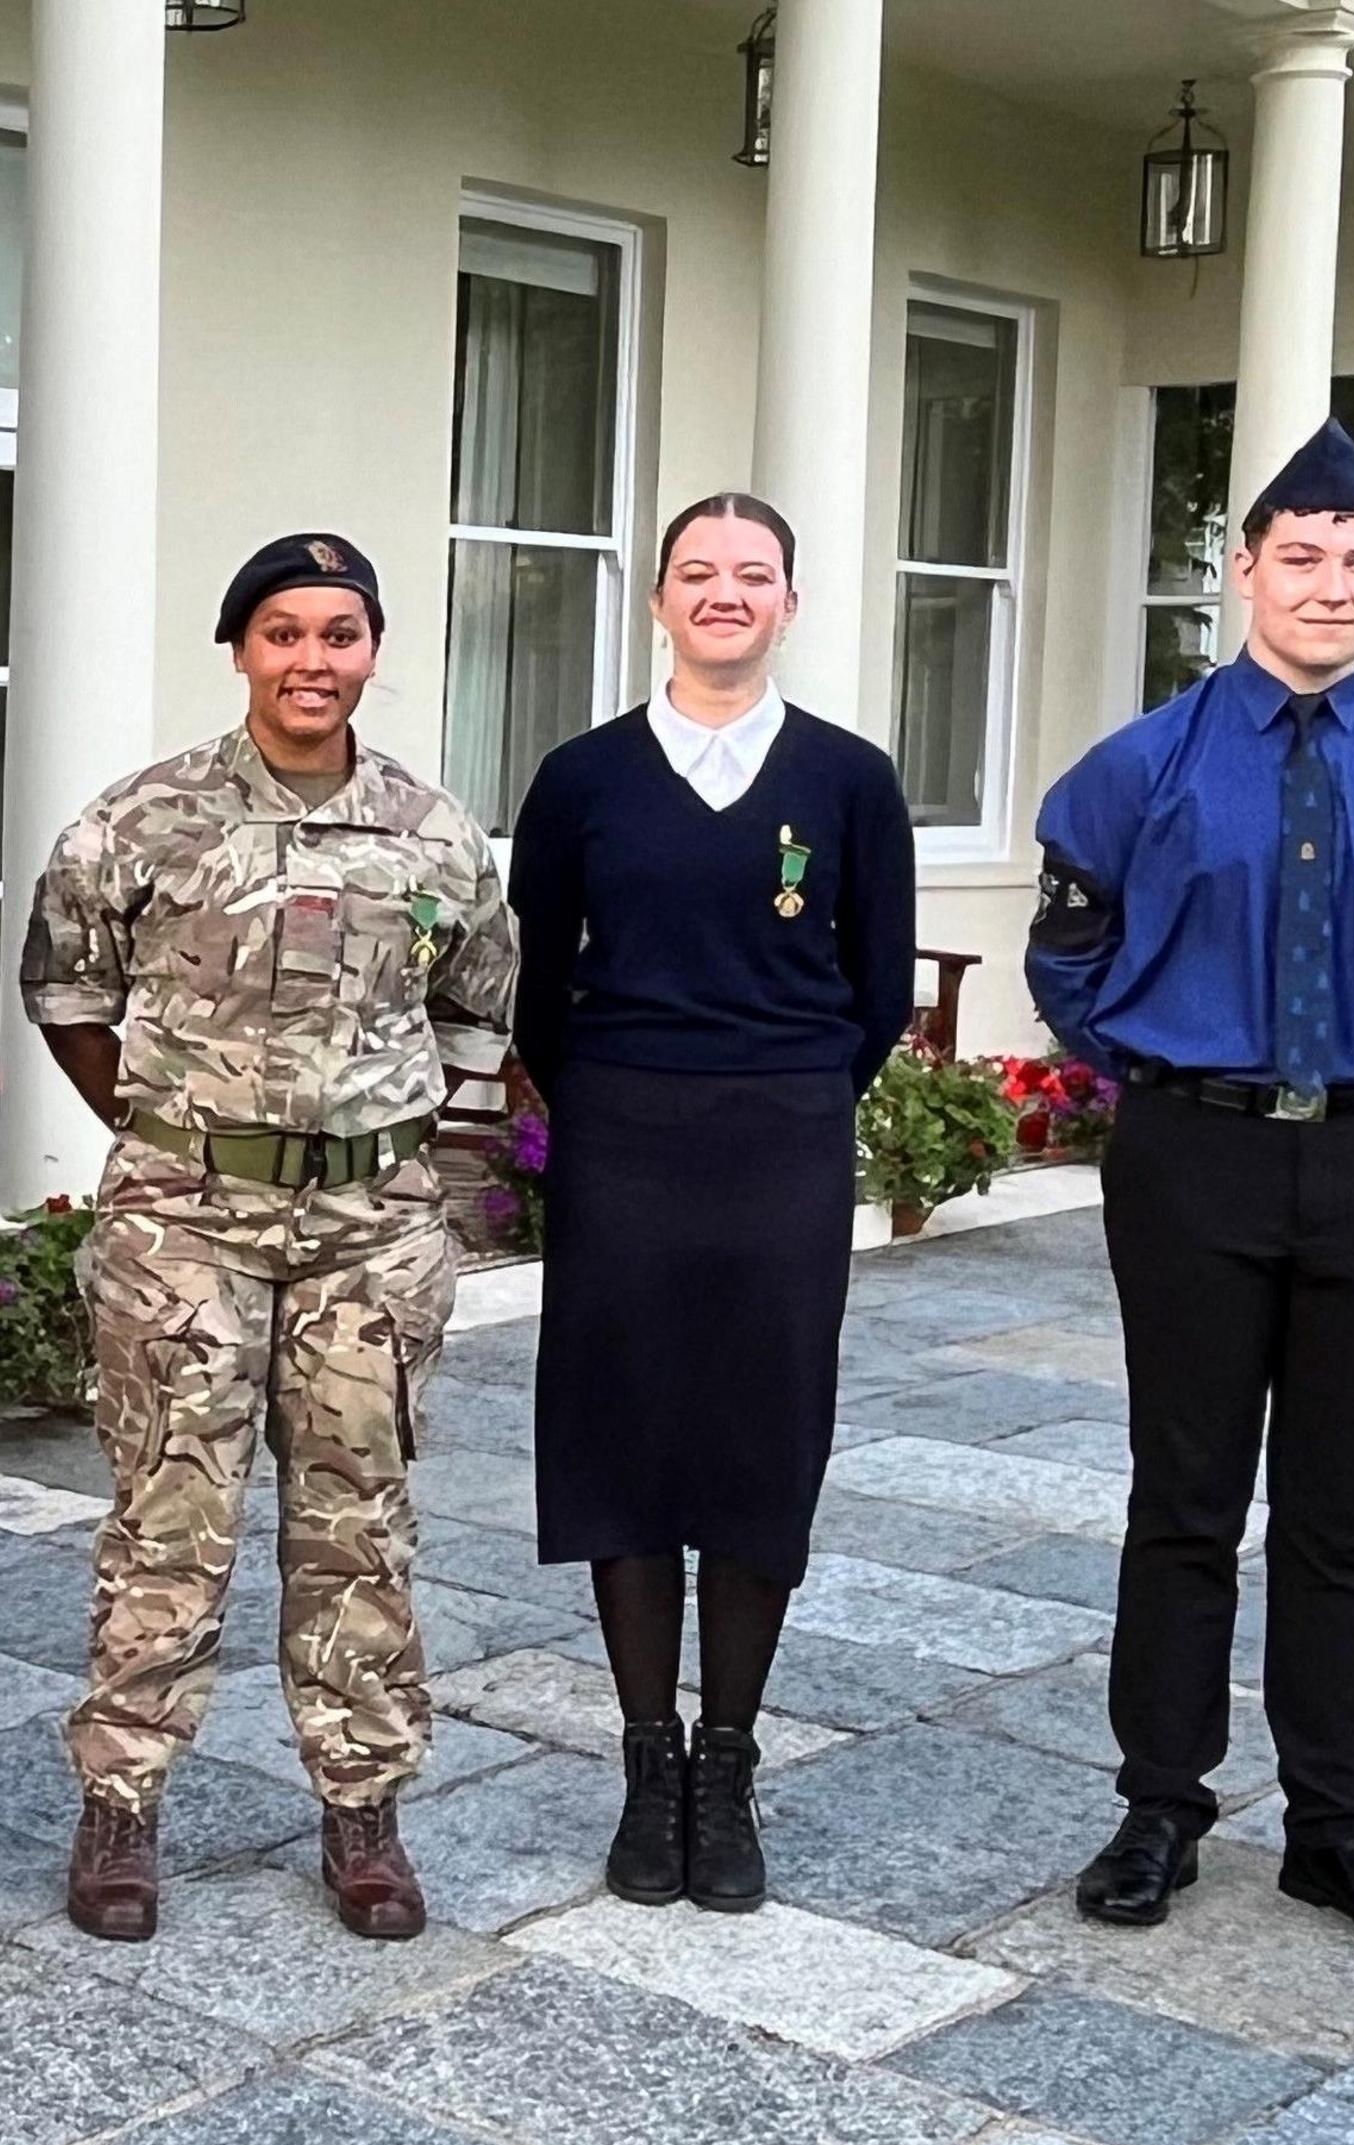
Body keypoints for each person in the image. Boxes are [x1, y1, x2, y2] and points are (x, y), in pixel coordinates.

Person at [1032, 418, 1354, 1962]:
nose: (1331, 586)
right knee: (1183, 1498)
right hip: (1198, 1157)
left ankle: (1337, 1825)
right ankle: (1161, 1805)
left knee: (1342, 1514)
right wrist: (1166, 1074)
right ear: (1241, 571)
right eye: (1302, 557)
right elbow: (1070, 954)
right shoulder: (1145, 766)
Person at [21, 532, 514, 1944]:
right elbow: (65, 987)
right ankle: (121, 1808)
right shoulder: (150, 817)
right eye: (285, 633)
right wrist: (172, 1127)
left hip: (371, 1231)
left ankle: (362, 1812)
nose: (314, 661)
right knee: (167, 1521)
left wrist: (375, 1134)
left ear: (373, 651)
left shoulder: (431, 831)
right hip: (187, 1225)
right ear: (243, 649)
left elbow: (480, 1011)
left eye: (340, 634)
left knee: (360, 1526)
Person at [507, 494, 916, 1914]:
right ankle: (645, 1759)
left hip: (785, 1137)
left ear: (789, 603)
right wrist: (620, 1090)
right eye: (700, 572)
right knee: (625, 1434)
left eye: (754, 574)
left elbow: (877, 994)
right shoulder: (583, 779)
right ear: (660, 601)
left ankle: (727, 1762)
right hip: (622, 1130)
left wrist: (782, 1089)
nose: (725, 593)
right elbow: (535, 982)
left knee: (756, 1435)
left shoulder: (851, 782)